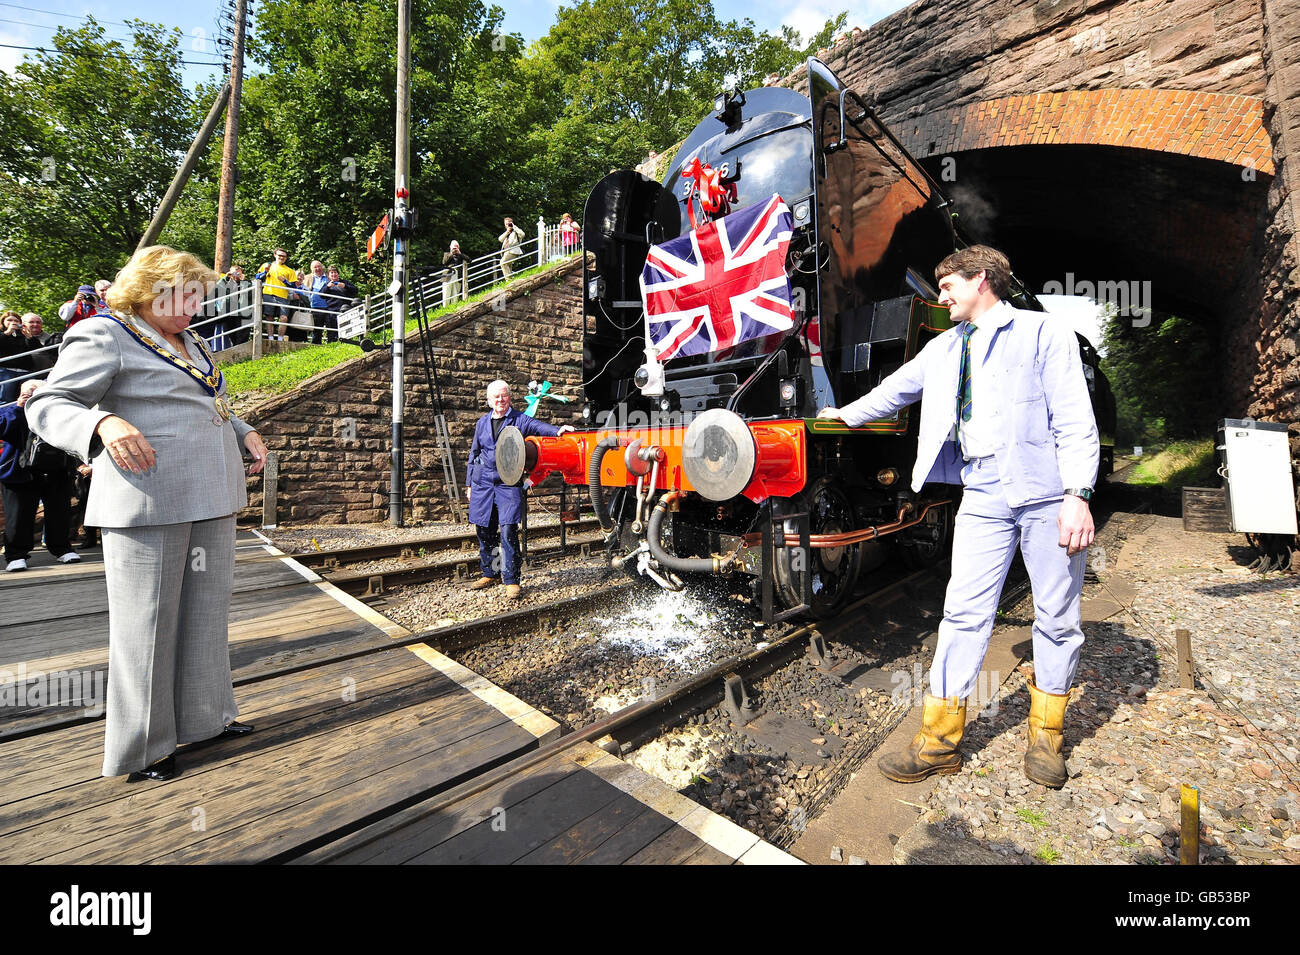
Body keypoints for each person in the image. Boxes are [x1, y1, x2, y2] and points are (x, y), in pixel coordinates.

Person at [818, 245, 1098, 789]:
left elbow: (1074, 418)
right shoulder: (944, 348)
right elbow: (893, 391)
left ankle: (1046, 738)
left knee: (1057, 614)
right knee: (963, 611)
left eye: (948, 287)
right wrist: (842, 415)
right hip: (983, 490)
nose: (939, 296)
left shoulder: (1044, 334)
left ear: (981, 280)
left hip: (1045, 490)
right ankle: (938, 742)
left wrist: (1077, 494)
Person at [26, 244, 270, 782]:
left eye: (199, 298)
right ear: (150, 291)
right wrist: (102, 425)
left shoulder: (193, 341)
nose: (197, 308)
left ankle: (206, 718)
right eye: (186, 297)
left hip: (212, 494)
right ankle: (144, 745)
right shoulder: (104, 333)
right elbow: (48, 403)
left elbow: (210, 403)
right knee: (148, 625)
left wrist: (242, 428)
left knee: (205, 616)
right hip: (148, 499)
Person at [465, 379, 573, 598]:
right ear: (489, 400)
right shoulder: (481, 424)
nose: (501, 400)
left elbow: (538, 426)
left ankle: (512, 579)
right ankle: (491, 572)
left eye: (504, 395)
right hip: (483, 484)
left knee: (508, 530)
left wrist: (558, 430)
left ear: (510, 398)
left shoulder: (519, 420)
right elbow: (474, 454)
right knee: (484, 529)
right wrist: (469, 484)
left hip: (507, 483)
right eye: (496, 396)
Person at [1, 380, 80, 571]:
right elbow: (4, 427)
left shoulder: (58, 409)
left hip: (56, 468)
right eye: (29, 392)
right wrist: (20, 406)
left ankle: (61, 548)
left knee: (58, 511)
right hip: (20, 470)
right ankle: (16, 555)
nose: (33, 395)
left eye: (38, 391)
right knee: (18, 515)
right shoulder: (12, 411)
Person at [255, 248, 298, 341]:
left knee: (284, 318)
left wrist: (285, 281)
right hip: (268, 293)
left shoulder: (290, 270)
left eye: (283, 256)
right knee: (269, 316)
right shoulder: (267, 265)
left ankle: (280, 338)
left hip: (283, 296)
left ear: (286, 258)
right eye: (279, 255)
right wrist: (265, 272)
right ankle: (270, 337)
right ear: (275, 255)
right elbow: (257, 278)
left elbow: (294, 286)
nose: (281, 257)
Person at [317, 266, 357, 343]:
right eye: (331, 273)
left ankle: (346, 342)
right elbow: (321, 295)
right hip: (332, 310)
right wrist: (327, 287)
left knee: (346, 327)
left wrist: (345, 286)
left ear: (338, 274)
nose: (333, 274)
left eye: (335, 272)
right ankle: (332, 343)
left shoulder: (344, 282)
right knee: (332, 329)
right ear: (329, 275)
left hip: (345, 309)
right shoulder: (327, 284)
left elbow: (355, 290)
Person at [0, 311, 27, 404]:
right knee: (6, 398)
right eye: (9, 320)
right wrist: (7, 332)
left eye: (16, 320)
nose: (13, 322)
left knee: (25, 398)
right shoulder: (2, 334)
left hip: (24, 371)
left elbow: (37, 350)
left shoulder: (23, 335)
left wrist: (30, 338)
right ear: (3, 322)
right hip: (6, 371)